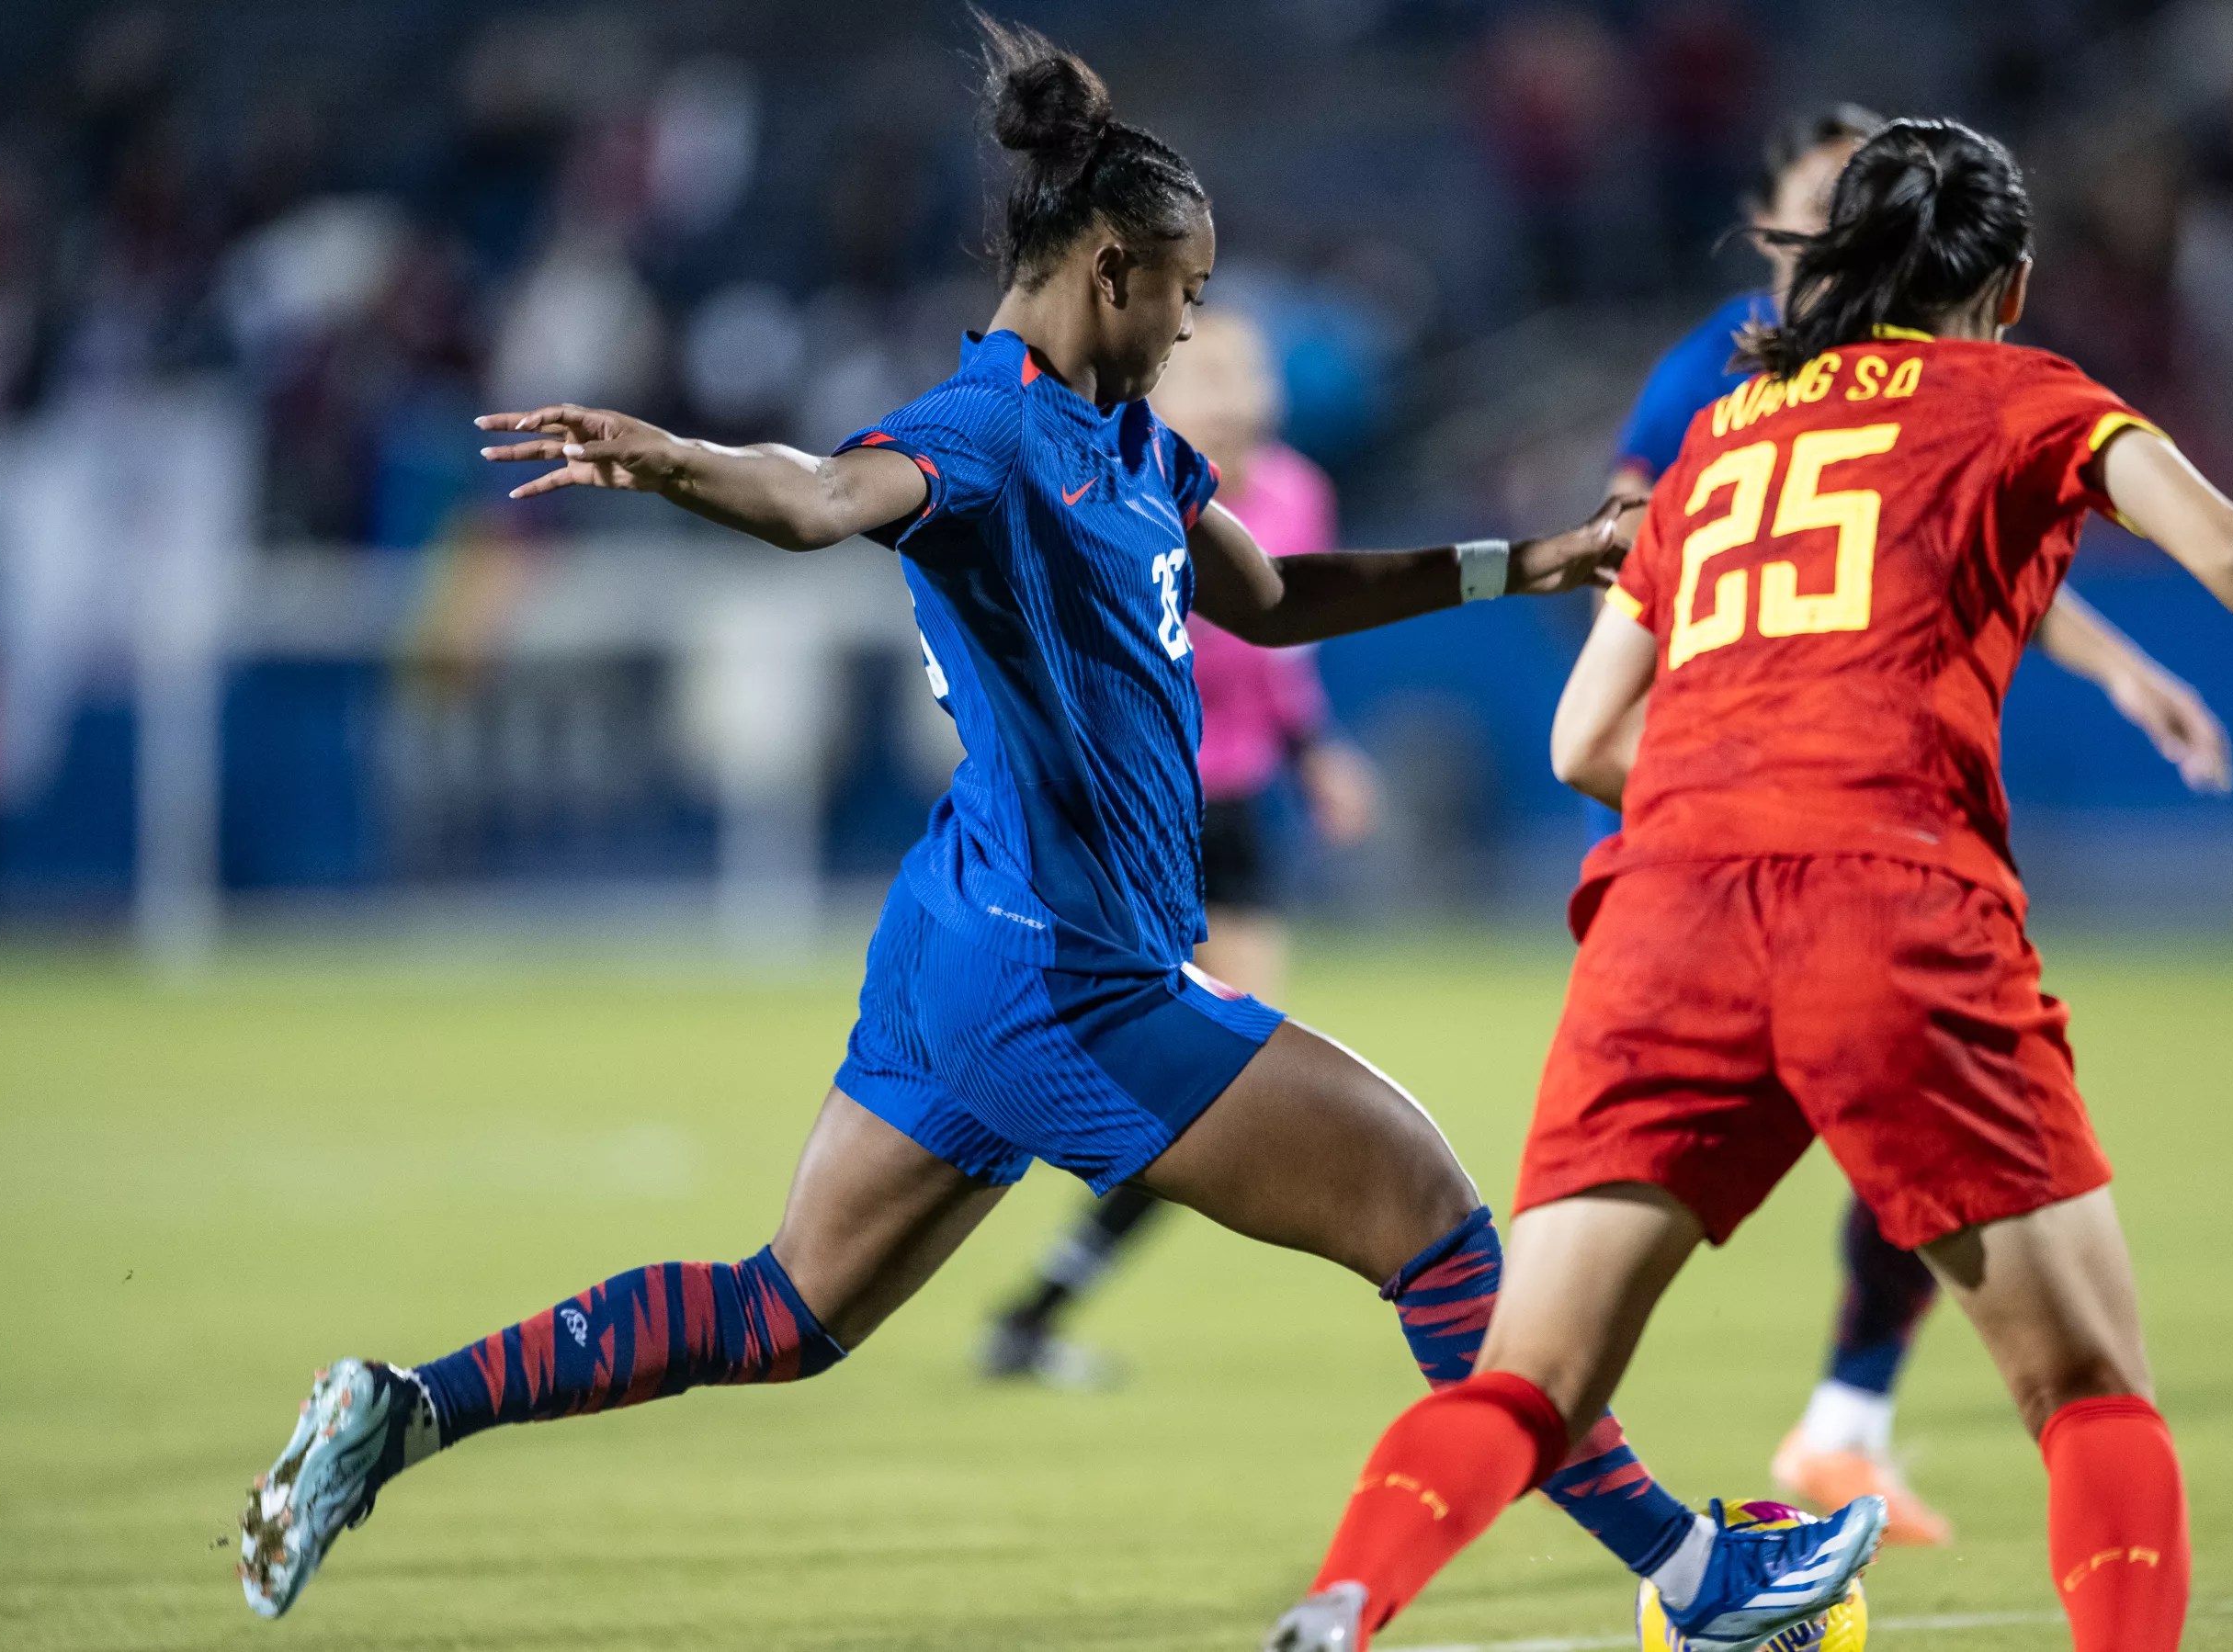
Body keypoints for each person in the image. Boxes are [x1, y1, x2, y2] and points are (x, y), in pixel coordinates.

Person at [233, 21, 1859, 1633]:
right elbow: (820, 494)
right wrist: (678, 464)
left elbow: (1273, 597)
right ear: (1108, 269)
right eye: (1185, 293)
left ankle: (402, 1407)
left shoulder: (1131, 440)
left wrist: (1529, 558)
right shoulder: (989, 430)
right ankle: (1693, 1572)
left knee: (787, 1308)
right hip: (1066, 975)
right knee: (1427, 1211)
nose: (1193, 324)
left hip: (972, 938)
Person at [1265, 118, 2233, 1652]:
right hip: (1886, 900)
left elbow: (1582, 740)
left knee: (1530, 1378)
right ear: (2007, 285)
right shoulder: (2026, 394)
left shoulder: (1724, 432)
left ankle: (1344, 1600)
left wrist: (1729, 798)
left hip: (1666, 911)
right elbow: (2229, 549)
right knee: (2087, 1388)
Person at [1607, 104, 2233, 1548]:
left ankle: (1836, 1427)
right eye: (1824, 196)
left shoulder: (1921, 377)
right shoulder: (1713, 374)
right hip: (1716, 815)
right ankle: (1732, 1479)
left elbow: (1943, 539)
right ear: (1778, 218)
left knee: (1898, 1134)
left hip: (1834, 826)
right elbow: (1633, 550)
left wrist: (2119, 666)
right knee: (1852, 1134)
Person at [978, 306, 1381, 1386]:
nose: (1237, 397)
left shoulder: (1295, 492)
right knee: (1152, 1065)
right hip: (1124, 813)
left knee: (1222, 1070)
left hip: (1233, 813)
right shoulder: (1112, 488)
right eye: (1212, 377)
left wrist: (1316, 756)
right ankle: (1004, 1277)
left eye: (1250, 375)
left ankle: (1036, 1308)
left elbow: (1283, 648)